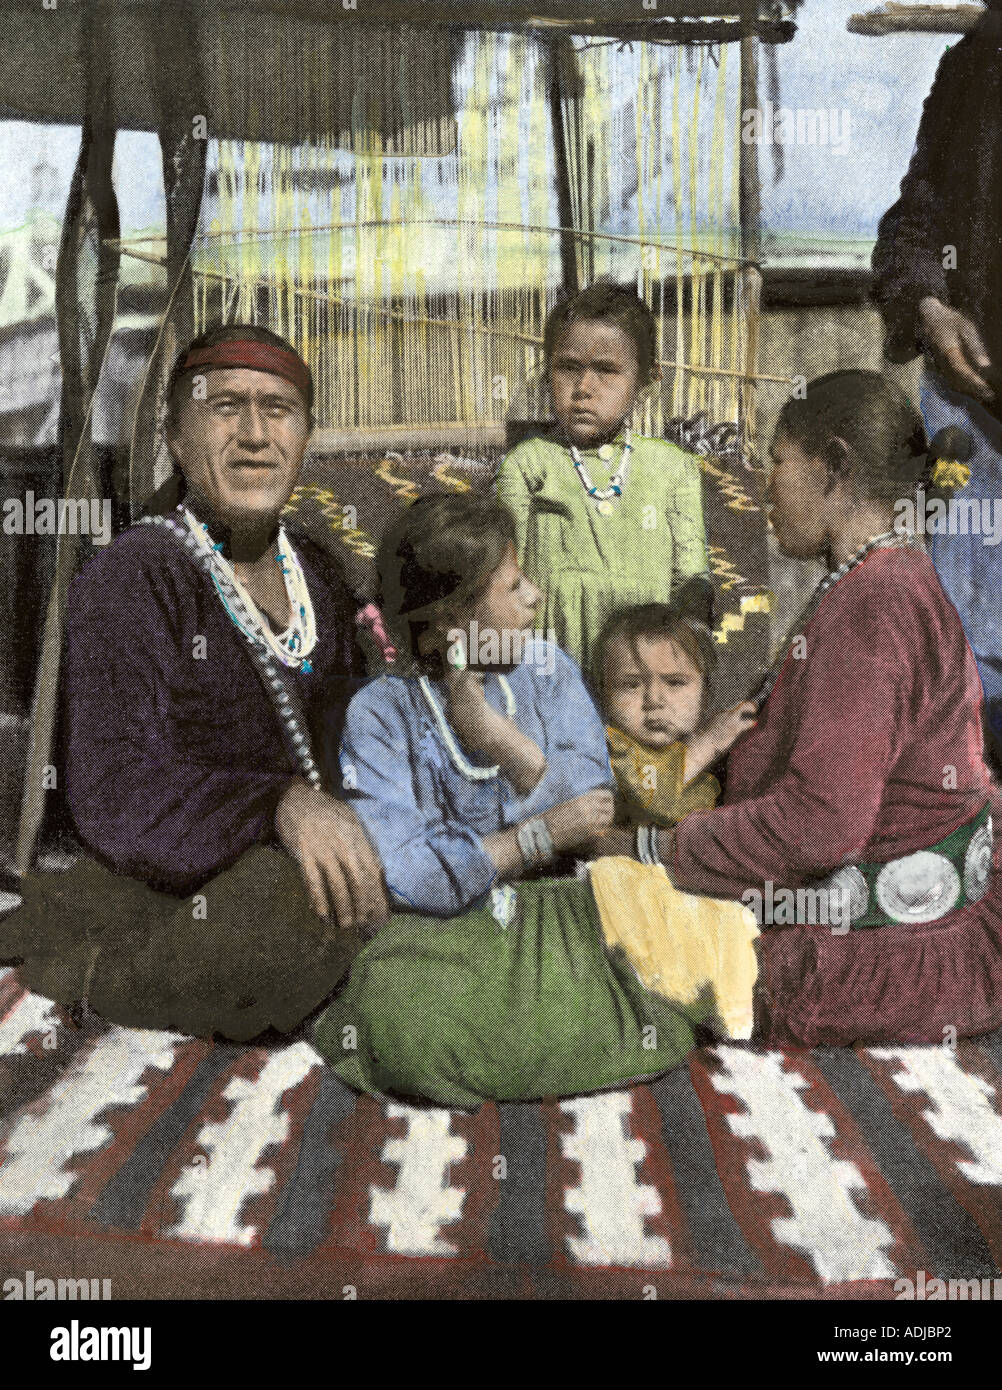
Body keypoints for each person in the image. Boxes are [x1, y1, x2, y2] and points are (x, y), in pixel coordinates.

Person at [0, 324, 389, 1041]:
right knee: (289, 914)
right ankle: (89, 974)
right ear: (177, 439)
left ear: (304, 436)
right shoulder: (133, 575)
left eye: (278, 410)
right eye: (224, 407)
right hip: (169, 887)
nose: (254, 435)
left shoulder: (320, 570)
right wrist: (277, 805)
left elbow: (360, 732)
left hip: (301, 858)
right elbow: (116, 794)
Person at [612, 371, 1002, 1048]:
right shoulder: (894, 576)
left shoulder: (872, 604)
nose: (766, 487)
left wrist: (655, 849)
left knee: (600, 943)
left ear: (836, 468)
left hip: (881, 955)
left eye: (778, 463)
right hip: (923, 920)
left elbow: (823, 825)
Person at [311, 493, 734, 1107]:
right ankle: (550, 1039)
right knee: (392, 1004)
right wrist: (533, 837)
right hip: (454, 932)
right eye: (513, 587)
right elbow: (410, 874)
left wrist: (500, 741)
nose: (535, 596)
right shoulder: (380, 714)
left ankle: (541, 1038)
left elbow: (595, 807)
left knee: (672, 930)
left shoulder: (549, 669)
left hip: (575, 907)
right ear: (453, 625)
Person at [871, 0, 1002, 753]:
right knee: (969, 656)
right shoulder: (972, 68)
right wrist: (928, 305)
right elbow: (912, 224)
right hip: (974, 416)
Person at [496, 279, 708, 673]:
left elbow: (692, 579)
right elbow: (504, 578)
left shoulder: (672, 468)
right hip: (550, 670)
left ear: (647, 380)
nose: (584, 388)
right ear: (547, 375)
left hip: (643, 675)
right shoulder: (528, 466)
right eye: (569, 368)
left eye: (607, 370)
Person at [593, 580, 758, 830]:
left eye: (675, 683)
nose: (654, 701)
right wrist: (709, 743)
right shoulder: (614, 748)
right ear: (603, 693)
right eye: (631, 685)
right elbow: (654, 797)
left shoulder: (704, 743)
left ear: (705, 693)